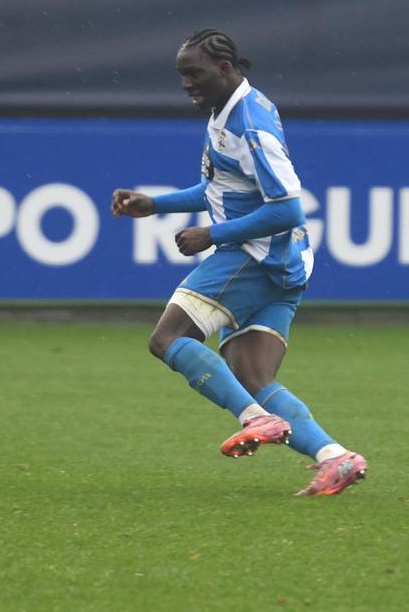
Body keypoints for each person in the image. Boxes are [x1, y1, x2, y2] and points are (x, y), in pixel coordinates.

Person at [111, 29, 366, 496]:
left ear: (225, 69)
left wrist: (213, 234)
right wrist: (156, 205)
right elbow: (221, 189)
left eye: (195, 73)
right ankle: (336, 458)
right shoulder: (230, 110)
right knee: (252, 376)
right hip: (284, 265)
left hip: (254, 256)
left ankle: (256, 420)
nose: (186, 83)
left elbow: (288, 208)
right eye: (181, 75)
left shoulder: (249, 126)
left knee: (167, 339)